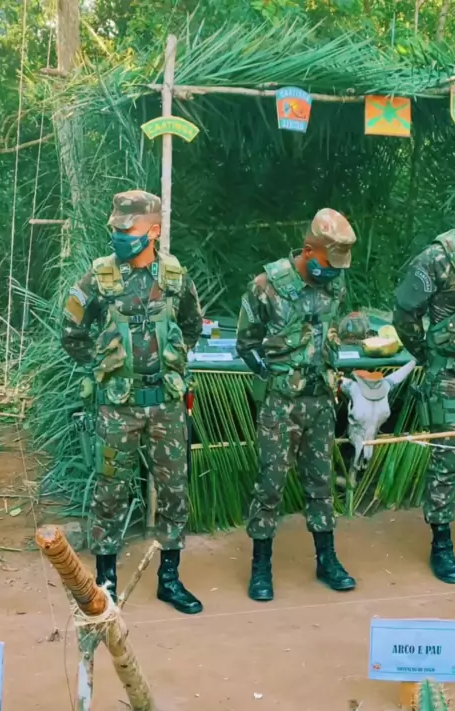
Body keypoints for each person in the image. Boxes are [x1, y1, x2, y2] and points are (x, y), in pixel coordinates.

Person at [61, 189, 203, 613]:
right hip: (117, 407)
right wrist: (104, 365)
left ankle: (169, 579)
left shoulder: (175, 278)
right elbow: (71, 332)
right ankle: (105, 584)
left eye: (129, 229)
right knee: (110, 492)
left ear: (153, 231)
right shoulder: (98, 278)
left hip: (167, 404)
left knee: (175, 492)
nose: (120, 236)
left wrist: (172, 359)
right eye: (117, 229)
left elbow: (192, 326)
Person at [236, 209, 357, 601]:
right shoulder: (266, 286)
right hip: (280, 404)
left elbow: (330, 328)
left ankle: (327, 559)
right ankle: (261, 567)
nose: (333, 272)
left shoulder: (334, 282)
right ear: (308, 251)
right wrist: (275, 379)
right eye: (328, 263)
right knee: (270, 484)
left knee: (321, 482)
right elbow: (246, 344)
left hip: (320, 400)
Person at [393, 222, 455, 585]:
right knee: (448, 456)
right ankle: (441, 543)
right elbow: (404, 313)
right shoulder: (437, 258)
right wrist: (428, 355)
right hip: (450, 375)